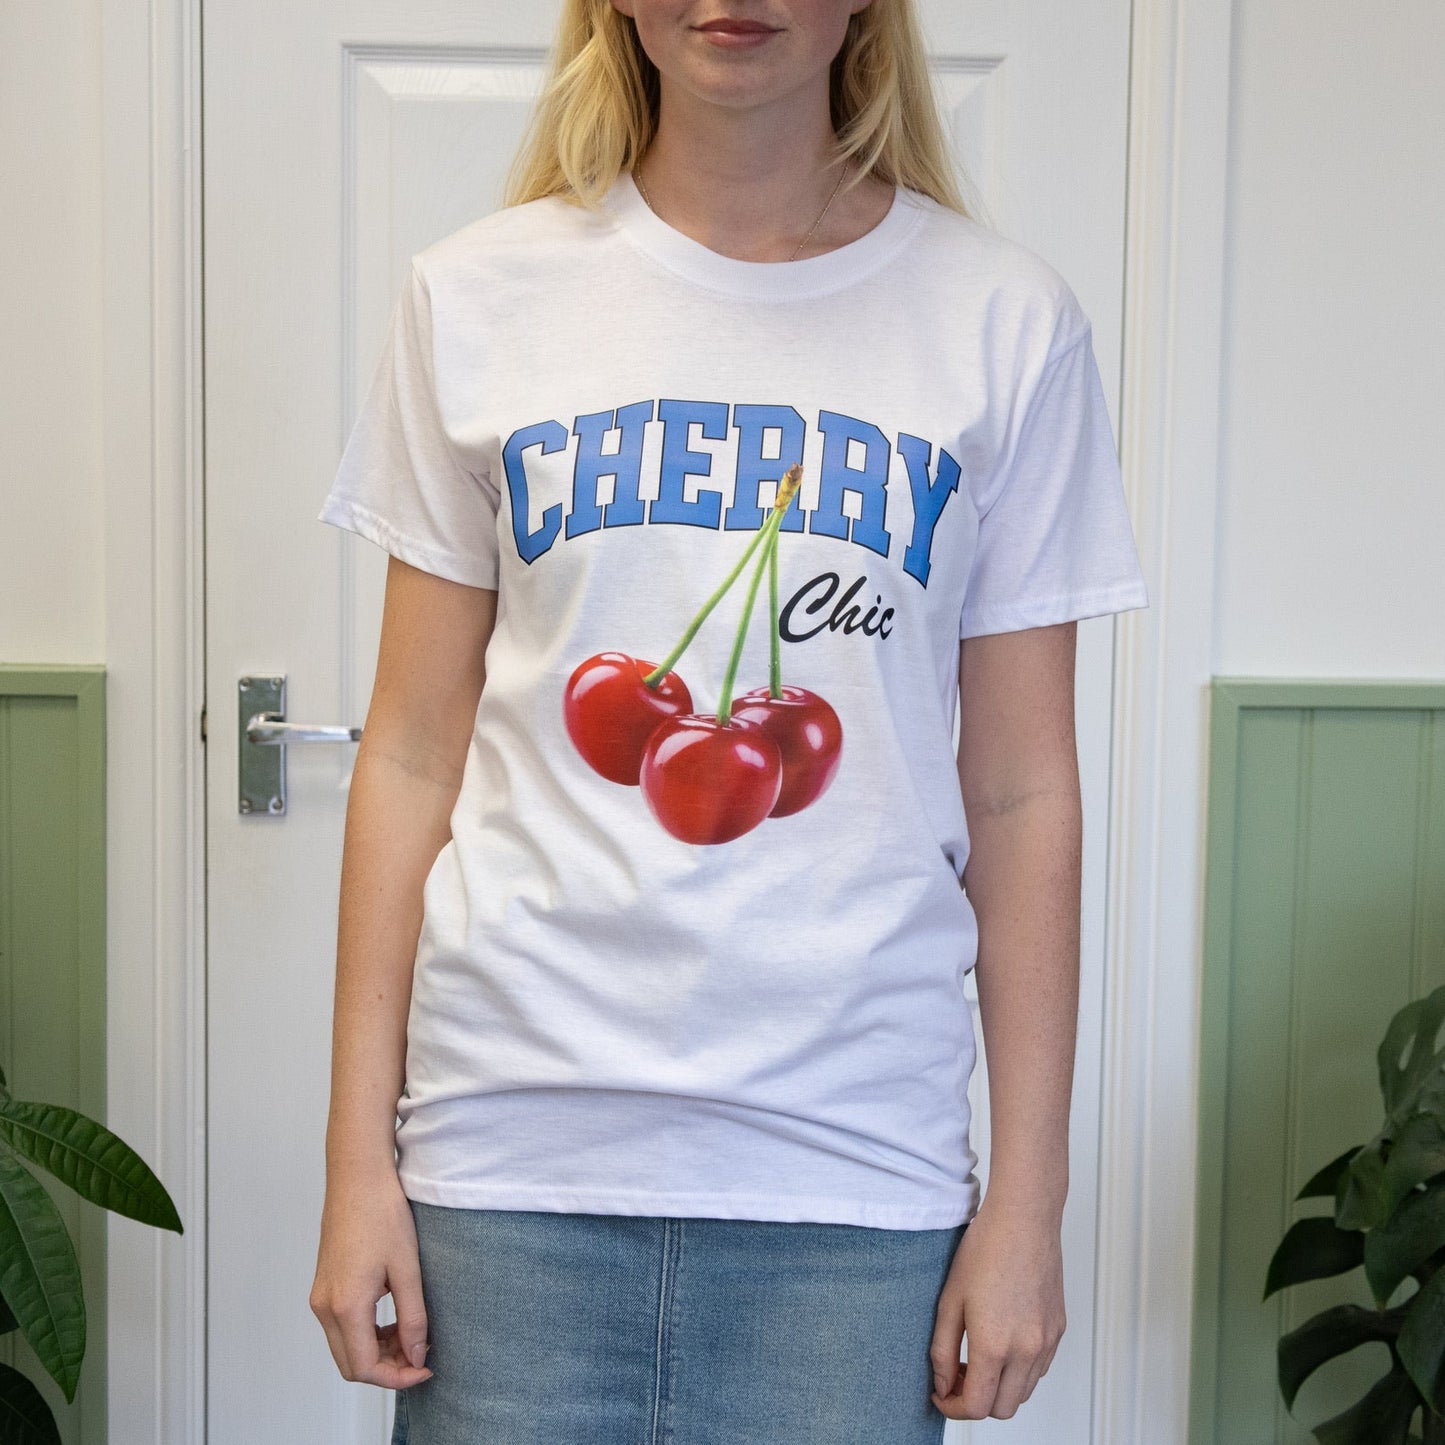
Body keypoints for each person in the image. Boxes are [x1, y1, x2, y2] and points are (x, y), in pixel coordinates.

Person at [308, 0, 1150, 1439]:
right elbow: (409, 755)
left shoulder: (1003, 322)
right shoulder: (475, 296)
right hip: (508, 1167)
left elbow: (1021, 795)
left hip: (853, 1186)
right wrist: (354, 1166)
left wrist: (1027, 1202)